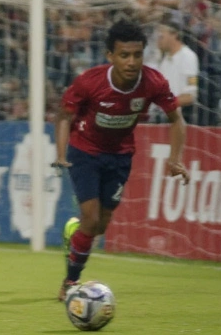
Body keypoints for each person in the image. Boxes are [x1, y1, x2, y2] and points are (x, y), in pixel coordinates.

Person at [53, 20, 190, 302]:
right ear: (110, 56)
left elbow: (176, 119)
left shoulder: (153, 82)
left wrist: (175, 159)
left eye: (137, 55)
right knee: (91, 220)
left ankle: (74, 233)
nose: (131, 62)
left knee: (100, 226)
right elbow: (64, 116)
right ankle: (70, 282)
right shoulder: (90, 82)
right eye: (124, 55)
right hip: (85, 151)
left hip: (120, 155)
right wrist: (60, 154)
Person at [148, 21, 199, 123]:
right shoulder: (164, 59)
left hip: (174, 117)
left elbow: (190, 96)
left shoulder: (188, 57)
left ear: (174, 35)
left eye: (161, 36)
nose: (158, 40)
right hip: (157, 114)